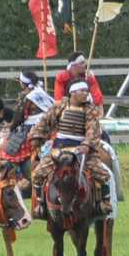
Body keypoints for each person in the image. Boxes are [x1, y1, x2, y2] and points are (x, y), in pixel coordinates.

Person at [29, 80, 113, 217]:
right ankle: (40, 205)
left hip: (80, 150)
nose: (86, 93)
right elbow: (45, 121)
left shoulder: (90, 109)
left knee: (102, 174)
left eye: (87, 91)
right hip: (59, 150)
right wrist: (36, 136)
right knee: (38, 173)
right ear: (73, 92)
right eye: (82, 91)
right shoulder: (60, 106)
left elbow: (93, 129)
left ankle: (104, 202)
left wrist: (87, 144)